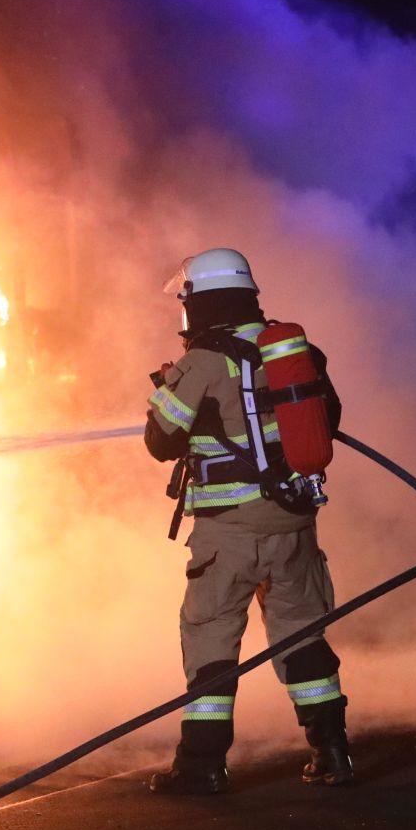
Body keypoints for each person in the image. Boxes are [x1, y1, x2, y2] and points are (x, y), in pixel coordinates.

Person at [144, 248, 351, 794]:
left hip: (229, 530)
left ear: (203, 304)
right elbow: (327, 421)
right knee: (302, 634)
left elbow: (160, 443)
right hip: (295, 524)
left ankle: (201, 765)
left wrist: (172, 391)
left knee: (211, 638)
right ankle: (332, 751)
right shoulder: (295, 351)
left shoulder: (204, 360)